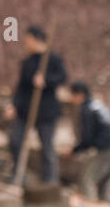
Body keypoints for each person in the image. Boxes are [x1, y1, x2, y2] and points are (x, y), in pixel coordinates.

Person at [6, 25, 67, 184]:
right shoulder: (27, 62)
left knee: (47, 147)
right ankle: (19, 175)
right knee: (15, 140)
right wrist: (14, 105)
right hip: (25, 109)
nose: (25, 43)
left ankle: (50, 180)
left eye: (28, 40)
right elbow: (21, 87)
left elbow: (62, 78)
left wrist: (45, 81)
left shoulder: (53, 59)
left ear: (36, 40)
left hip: (46, 111)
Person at [66, 81, 110, 201]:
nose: (71, 99)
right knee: (103, 185)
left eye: (72, 95)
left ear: (80, 95)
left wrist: (74, 150)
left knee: (87, 179)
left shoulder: (87, 110)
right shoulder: (97, 105)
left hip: (107, 151)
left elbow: (87, 138)